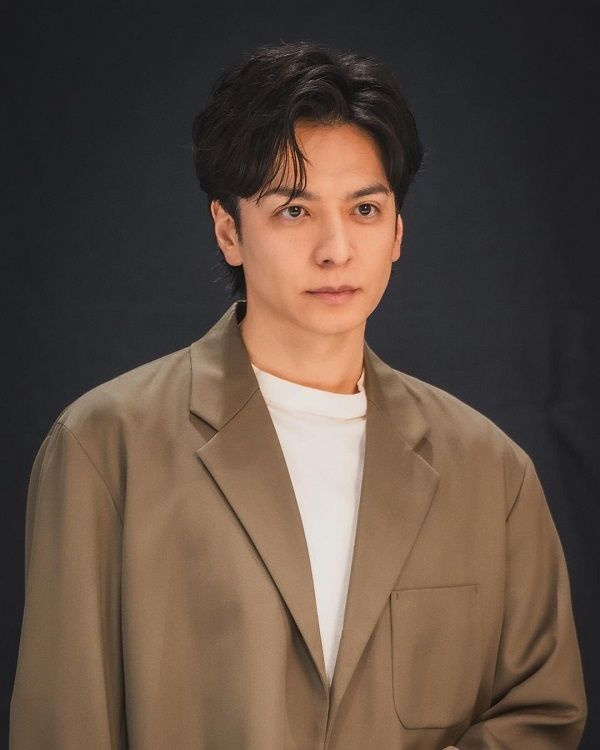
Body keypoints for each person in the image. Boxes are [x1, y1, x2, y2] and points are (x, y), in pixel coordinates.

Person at [10, 41, 587, 750]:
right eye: (293, 210)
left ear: (398, 231)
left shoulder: (493, 473)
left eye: (365, 209)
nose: (336, 249)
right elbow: (63, 726)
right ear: (229, 230)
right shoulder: (103, 448)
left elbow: (544, 713)